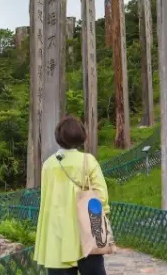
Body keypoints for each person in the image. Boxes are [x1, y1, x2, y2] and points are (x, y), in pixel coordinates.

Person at [33, 115, 110, 275]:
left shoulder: (48, 164)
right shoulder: (88, 161)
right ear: (81, 136)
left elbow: (46, 197)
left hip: (56, 233)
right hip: (86, 231)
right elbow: (101, 196)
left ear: (58, 137)